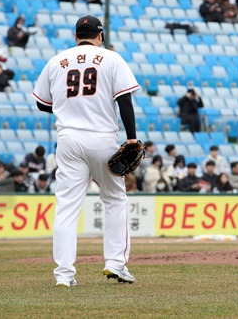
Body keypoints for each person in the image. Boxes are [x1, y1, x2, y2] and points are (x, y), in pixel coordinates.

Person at [33, 15, 140, 286]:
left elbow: (42, 104)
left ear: (76, 36)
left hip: (68, 139)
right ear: (100, 35)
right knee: (115, 200)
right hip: (102, 138)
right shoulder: (112, 58)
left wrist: (67, 105)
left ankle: (64, 275)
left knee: (67, 207)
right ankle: (116, 264)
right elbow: (124, 99)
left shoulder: (57, 61)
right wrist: (131, 137)